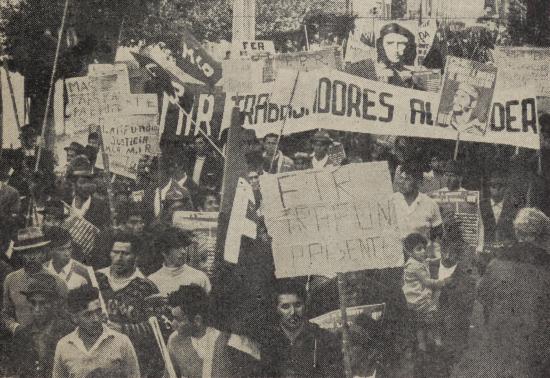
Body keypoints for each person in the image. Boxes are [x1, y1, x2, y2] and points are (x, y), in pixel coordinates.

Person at [454, 208, 550, 377]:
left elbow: (482, 294)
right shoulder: (546, 266)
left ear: (517, 232)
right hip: (535, 345)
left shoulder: (497, 262)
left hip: (501, 341)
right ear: (540, 235)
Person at [95, 231, 165, 377]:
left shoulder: (146, 287)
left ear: (136, 257)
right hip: (98, 357)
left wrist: (123, 329)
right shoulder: (96, 279)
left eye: (125, 253)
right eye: (116, 252)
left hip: (132, 359)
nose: (119, 258)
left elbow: (157, 327)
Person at [166, 284, 261, 377]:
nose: (173, 324)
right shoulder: (174, 342)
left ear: (197, 320)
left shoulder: (233, 343)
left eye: (178, 319)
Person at [52, 285, 140, 378]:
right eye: (88, 314)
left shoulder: (122, 342)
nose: (96, 319)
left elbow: (134, 375)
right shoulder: (64, 346)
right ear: (75, 318)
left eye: (98, 311)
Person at [261, 280, 344, 377]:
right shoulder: (267, 342)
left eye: (297, 305)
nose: (293, 312)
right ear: (276, 309)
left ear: (305, 305)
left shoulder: (324, 339)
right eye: (285, 306)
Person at [2, 227, 68, 335]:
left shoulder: (58, 282)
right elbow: (5, 314)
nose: (32, 257)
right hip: (22, 342)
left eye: (36, 251)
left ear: (43, 253)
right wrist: (15, 327)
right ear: (20, 255)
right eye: (27, 252)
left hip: (49, 343)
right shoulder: (11, 280)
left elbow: (66, 316)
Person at [7, 273, 73, 377]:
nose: (37, 309)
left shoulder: (68, 333)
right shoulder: (22, 335)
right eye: (33, 303)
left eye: (43, 303)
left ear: (54, 303)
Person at [402, 233, 449, 353]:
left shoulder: (414, 261)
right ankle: (438, 343)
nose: (423, 251)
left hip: (412, 300)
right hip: (420, 299)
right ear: (410, 252)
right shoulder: (416, 266)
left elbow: (429, 260)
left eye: (424, 248)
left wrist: (439, 259)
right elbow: (427, 282)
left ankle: (422, 347)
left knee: (420, 325)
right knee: (433, 319)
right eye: (419, 249)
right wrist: (442, 282)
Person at [148, 227, 211, 297]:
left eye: (184, 247)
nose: (183, 252)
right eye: (177, 248)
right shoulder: (152, 281)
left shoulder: (199, 278)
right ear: (164, 252)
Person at [67, 155, 111, 229]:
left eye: (89, 181)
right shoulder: (65, 201)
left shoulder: (100, 207)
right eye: (82, 182)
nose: (86, 186)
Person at [154, 152, 198, 217]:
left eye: (172, 165)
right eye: (168, 165)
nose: (169, 169)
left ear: (181, 166)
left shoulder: (193, 187)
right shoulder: (161, 187)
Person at [376, 23, 416, 87]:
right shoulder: (372, 70)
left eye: (401, 43)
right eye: (390, 43)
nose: (395, 49)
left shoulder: (411, 73)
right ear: (381, 45)